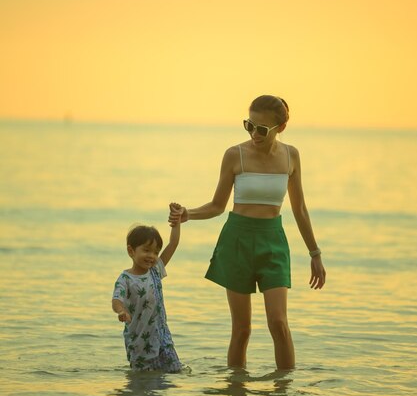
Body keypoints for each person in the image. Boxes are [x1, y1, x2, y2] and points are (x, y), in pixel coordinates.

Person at [169, 95, 326, 370]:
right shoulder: (234, 155)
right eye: (249, 125)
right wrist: (188, 214)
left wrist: (315, 253)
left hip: (273, 243)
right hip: (237, 242)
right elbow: (218, 205)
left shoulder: (291, 156)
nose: (254, 133)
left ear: (281, 128)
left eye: (262, 129)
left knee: (279, 324)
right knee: (242, 330)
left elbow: (300, 208)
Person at [112, 203, 184, 373]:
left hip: (163, 338)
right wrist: (121, 311)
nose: (152, 256)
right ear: (131, 251)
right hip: (139, 342)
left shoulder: (155, 271)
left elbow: (173, 244)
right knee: (143, 382)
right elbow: (116, 299)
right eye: (146, 250)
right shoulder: (126, 279)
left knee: (174, 373)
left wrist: (177, 221)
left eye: (155, 252)